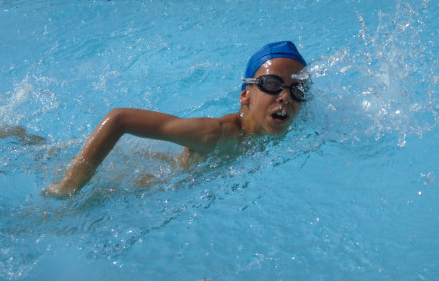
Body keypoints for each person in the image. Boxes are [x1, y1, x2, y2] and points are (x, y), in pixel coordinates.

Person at [44, 41, 311, 198]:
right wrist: (70, 185)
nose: (286, 97)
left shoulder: (288, 123)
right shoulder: (214, 133)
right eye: (273, 84)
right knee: (44, 158)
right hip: (151, 183)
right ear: (245, 96)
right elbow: (119, 118)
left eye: (297, 89)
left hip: (176, 167)